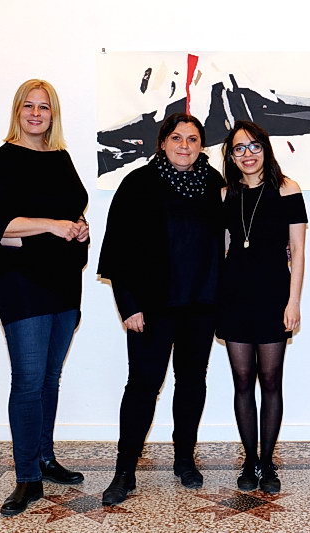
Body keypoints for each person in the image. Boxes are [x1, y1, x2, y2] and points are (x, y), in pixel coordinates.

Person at [97, 113, 224, 506]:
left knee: (192, 382)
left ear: (202, 145)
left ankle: (184, 459)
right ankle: (125, 470)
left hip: (201, 305)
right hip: (152, 308)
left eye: (192, 139)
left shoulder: (215, 183)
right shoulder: (138, 183)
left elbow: (235, 233)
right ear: (163, 143)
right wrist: (128, 305)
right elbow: (117, 247)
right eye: (176, 138)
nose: (184, 145)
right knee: (142, 386)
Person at [0, 79, 89, 517]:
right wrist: (51, 225)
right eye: (29, 106)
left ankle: (45, 458)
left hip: (63, 282)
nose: (36, 114)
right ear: (17, 111)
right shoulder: (4, 159)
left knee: (49, 379)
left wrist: (77, 229)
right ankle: (26, 477)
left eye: (44, 107)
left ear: (53, 114)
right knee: (27, 380)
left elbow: (73, 210)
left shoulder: (61, 158)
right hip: (22, 285)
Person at [216, 121, 307, 494]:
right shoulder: (224, 194)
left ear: (265, 149)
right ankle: (249, 461)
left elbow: (298, 250)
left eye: (254, 146)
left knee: (270, 380)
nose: (247, 154)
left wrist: (293, 301)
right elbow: (223, 248)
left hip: (273, 296)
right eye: (239, 148)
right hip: (234, 297)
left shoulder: (288, 189)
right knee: (242, 381)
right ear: (231, 157)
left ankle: (267, 463)